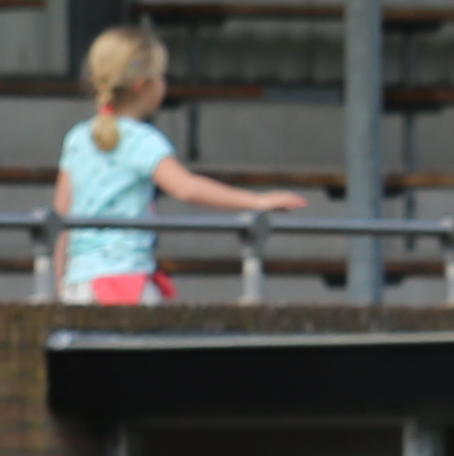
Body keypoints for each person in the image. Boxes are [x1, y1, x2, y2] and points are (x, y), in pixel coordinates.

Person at [56, 26, 303, 307]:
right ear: (141, 85)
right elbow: (186, 188)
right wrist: (255, 201)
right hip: (125, 283)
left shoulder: (77, 139)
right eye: (160, 76)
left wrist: (59, 280)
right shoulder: (143, 140)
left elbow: (62, 217)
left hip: (78, 285)